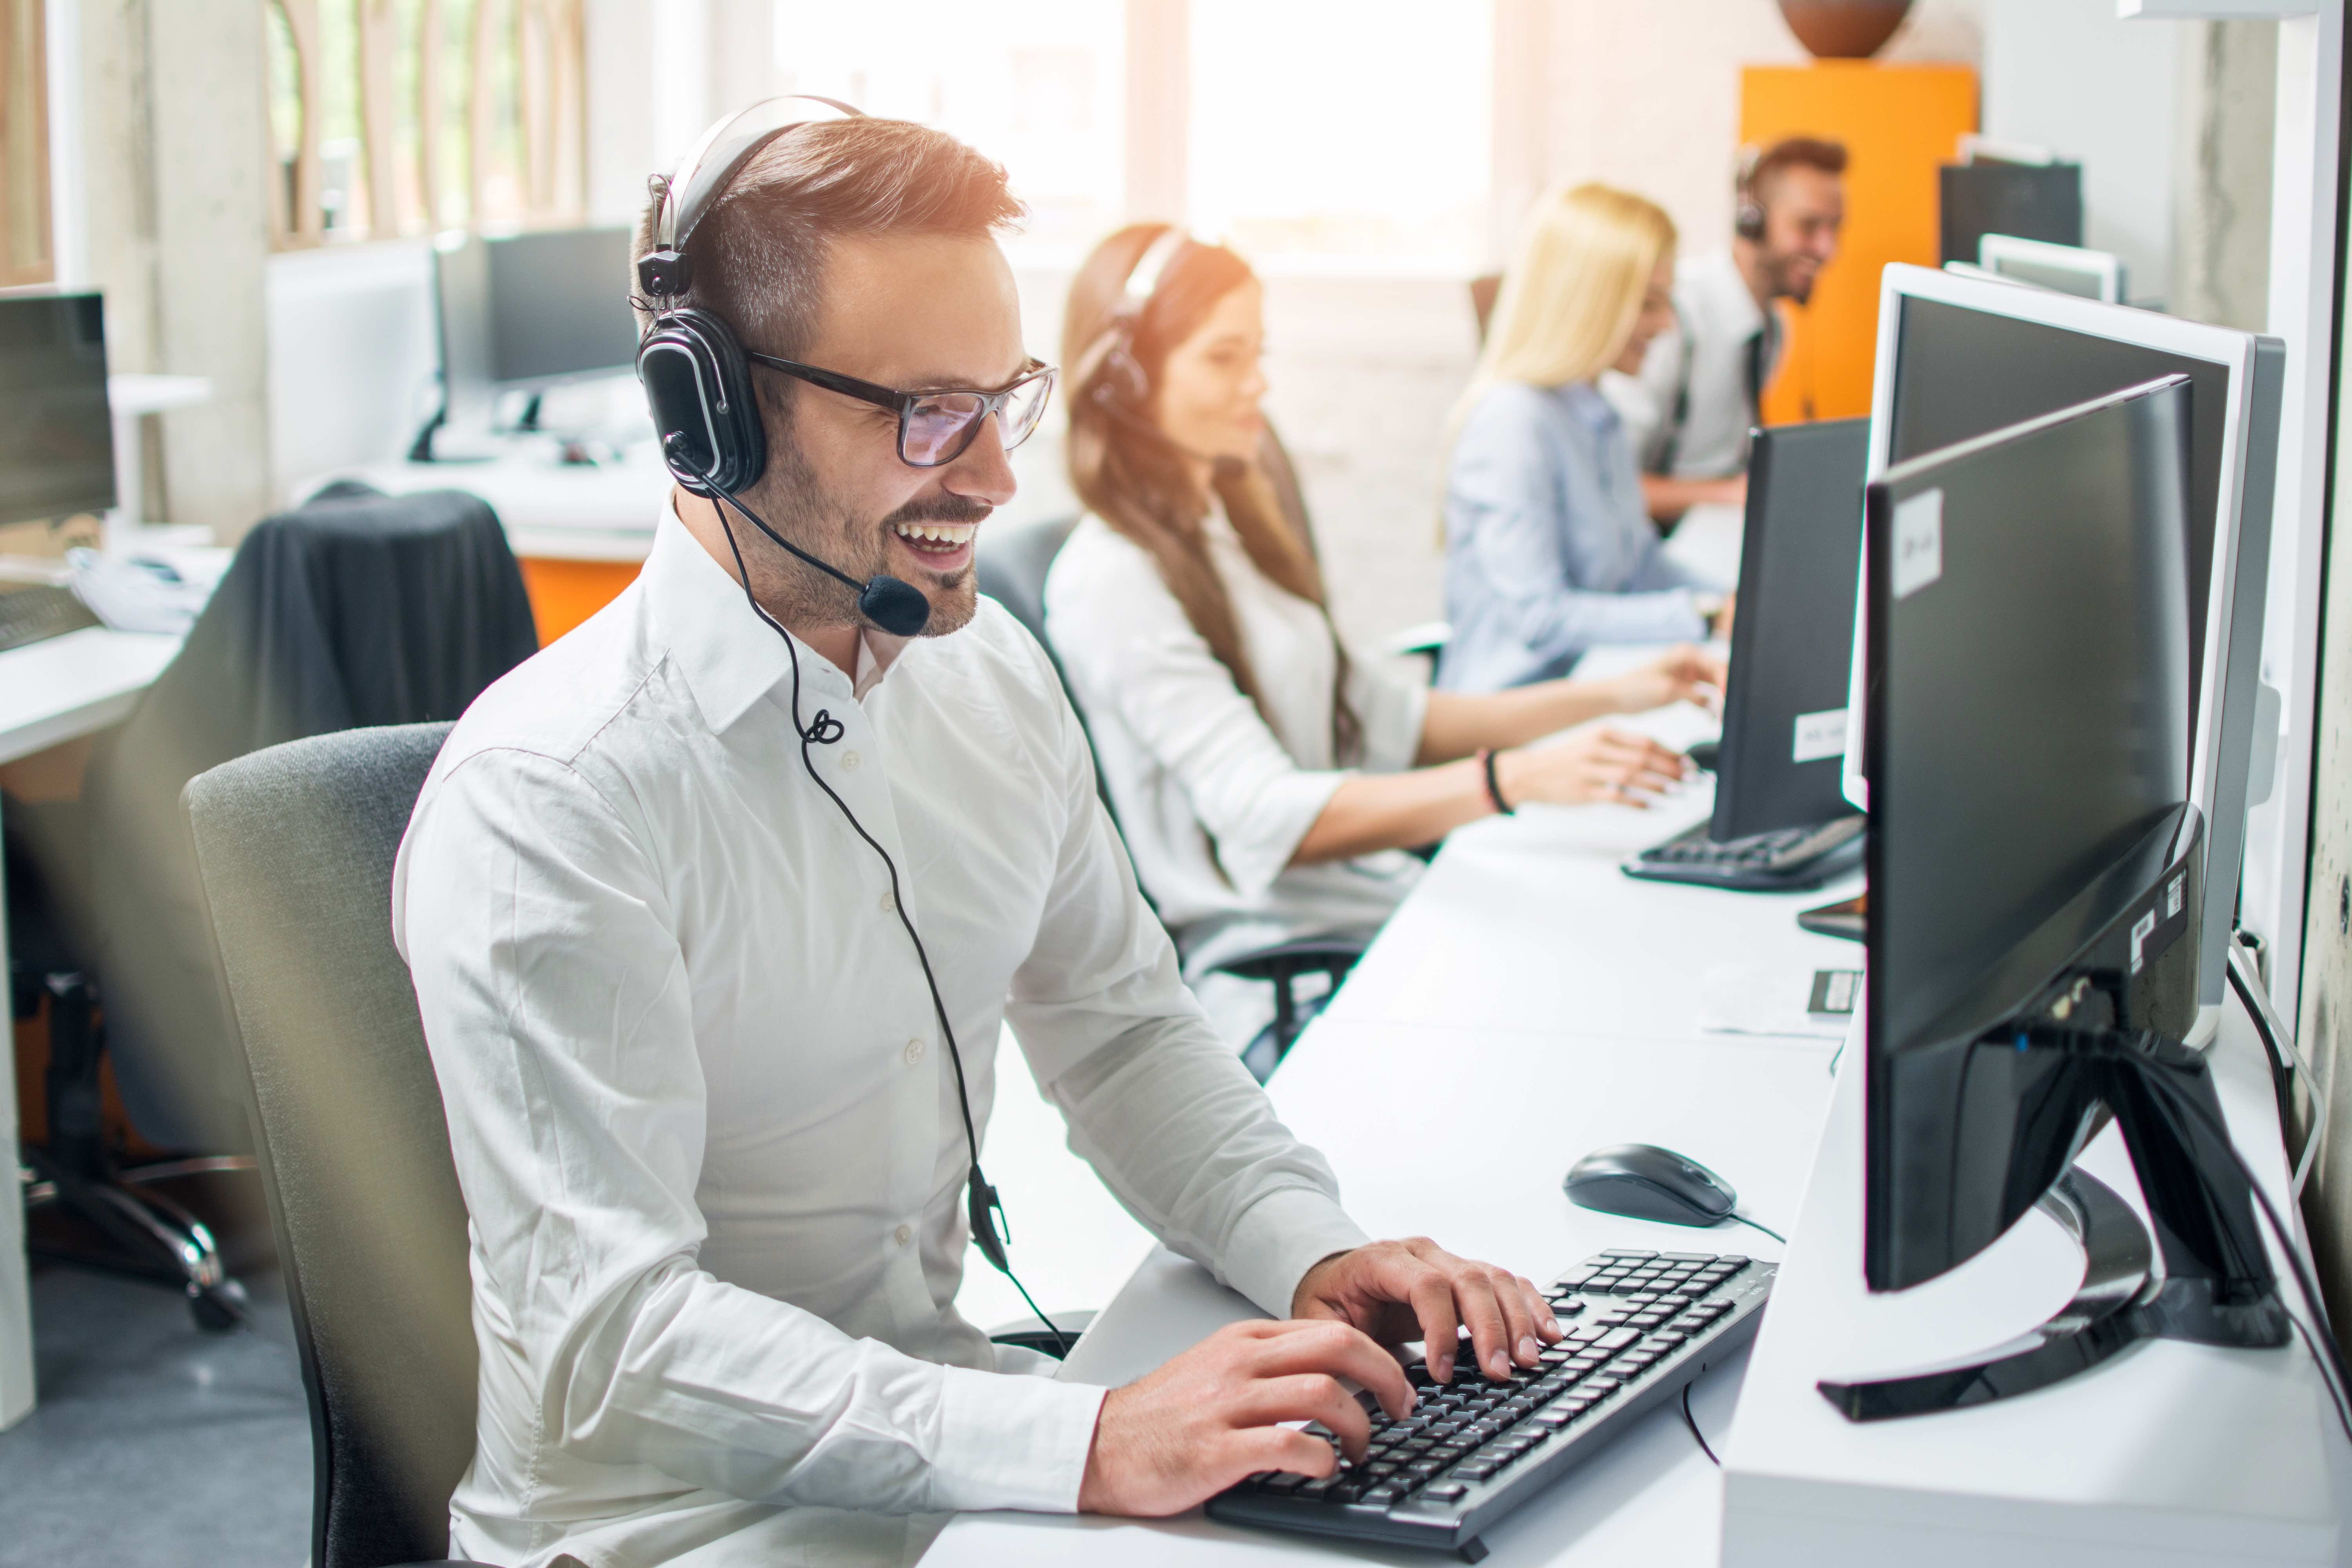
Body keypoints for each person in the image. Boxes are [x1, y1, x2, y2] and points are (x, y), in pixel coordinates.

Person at [393, 103, 1573, 1568]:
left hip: (950, 1447)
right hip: (672, 1525)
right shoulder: (553, 798)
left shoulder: (986, 675)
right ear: (711, 409)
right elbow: (615, 1334)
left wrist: (1308, 1246)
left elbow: (1126, 1029)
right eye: (924, 413)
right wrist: (1086, 1441)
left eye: (998, 402)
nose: (998, 480)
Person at [1045, 224, 1722, 1057]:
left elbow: (1383, 712)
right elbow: (1267, 816)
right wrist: (1513, 781)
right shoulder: (1114, 578)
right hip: (1280, 965)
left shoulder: (1221, 522)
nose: (1257, 385)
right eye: (1224, 358)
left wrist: (1621, 691)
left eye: (1259, 353)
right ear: (1125, 379)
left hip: (1368, 903)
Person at [1438, 184, 1733, 694]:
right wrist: (1702, 616)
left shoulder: (1597, 412)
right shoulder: (1513, 421)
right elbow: (1543, 620)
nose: (1665, 326)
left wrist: (1738, 602)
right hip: (1516, 716)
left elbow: (1639, 565)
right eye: (1648, 304)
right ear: (1588, 304)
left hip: (1596, 682)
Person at [1604, 138, 1848, 524]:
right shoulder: (1669, 322)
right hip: (1655, 539)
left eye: (1835, 228)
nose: (1827, 249)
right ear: (1751, 222)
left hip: (1716, 525)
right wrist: (1730, 495)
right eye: (1808, 225)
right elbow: (1607, 485)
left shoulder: (1772, 329)